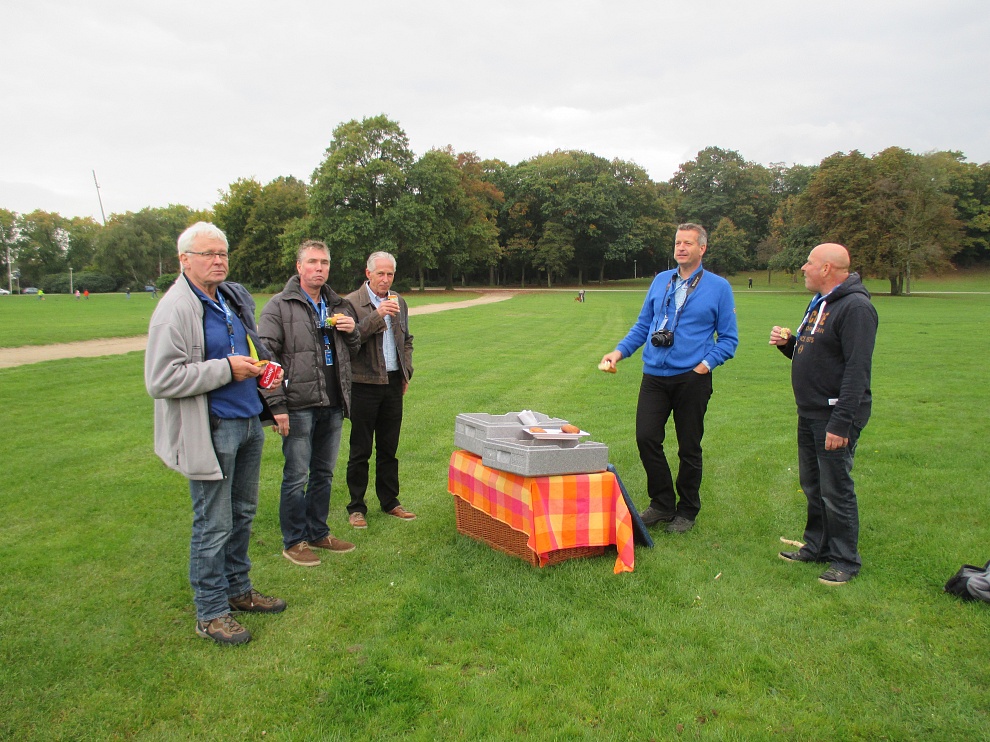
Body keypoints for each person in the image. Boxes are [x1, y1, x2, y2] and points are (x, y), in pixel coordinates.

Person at [145, 221, 286, 645]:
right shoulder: (175, 308)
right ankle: (210, 612)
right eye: (208, 254)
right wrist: (226, 369)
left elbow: (242, 349)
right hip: (213, 427)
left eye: (223, 253)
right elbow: (161, 379)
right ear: (184, 260)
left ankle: (238, 590)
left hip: (248, 420)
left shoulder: (228, 298)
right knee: (213, 522)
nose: (219, 261)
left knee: (242, 514)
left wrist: (259, 367)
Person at [600, 223, 738, 533]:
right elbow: (643, 325)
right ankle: (662, 503)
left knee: (689, 446)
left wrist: (705, 365)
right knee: (646, 437)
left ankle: (687, 510)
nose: (681, 248)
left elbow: (729, 339)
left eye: (688, 243)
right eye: (677, 242)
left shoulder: (718, 287)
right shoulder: (661, 280)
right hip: (654, 375)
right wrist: (619, 352)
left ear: (702, 248)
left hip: (692, 378)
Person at [770, 243, 877, 585]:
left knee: (836, 488)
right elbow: (817, 355)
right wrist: (789, 345)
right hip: (811, 411)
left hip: (834, 415)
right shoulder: (821, 303)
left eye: (809, 263)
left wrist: (841, 423)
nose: (803, 268)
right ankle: (817, 546)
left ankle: (845, 560)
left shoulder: (856, 308)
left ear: (827, 269)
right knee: (814, 485)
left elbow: (857, 371)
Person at [259, 241, 361, 567]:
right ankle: (294, 541)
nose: (319, 268)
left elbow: (352, 351)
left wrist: (352, 331)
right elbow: (266, 359)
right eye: (313, 262)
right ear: (299, 267)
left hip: (332, 402)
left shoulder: (338, 305)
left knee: (323, 474)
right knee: (295, 476)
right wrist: (276, 406)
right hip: (298, 405)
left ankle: (318, 532)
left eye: (324, 262)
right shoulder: (279, 306)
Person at [344, 251, 416, 528]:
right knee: (360, 449)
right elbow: (350, 342)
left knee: (389, 447)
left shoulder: (399, 301)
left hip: (393, 383)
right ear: (368, 274)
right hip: (363, 383)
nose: (385, 279)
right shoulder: (352, 303)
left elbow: (406, 340)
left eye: (390, 274)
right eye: (380, 274)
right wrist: (377, 315)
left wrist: (405, 371)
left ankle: (390, 501)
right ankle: (356, 507)